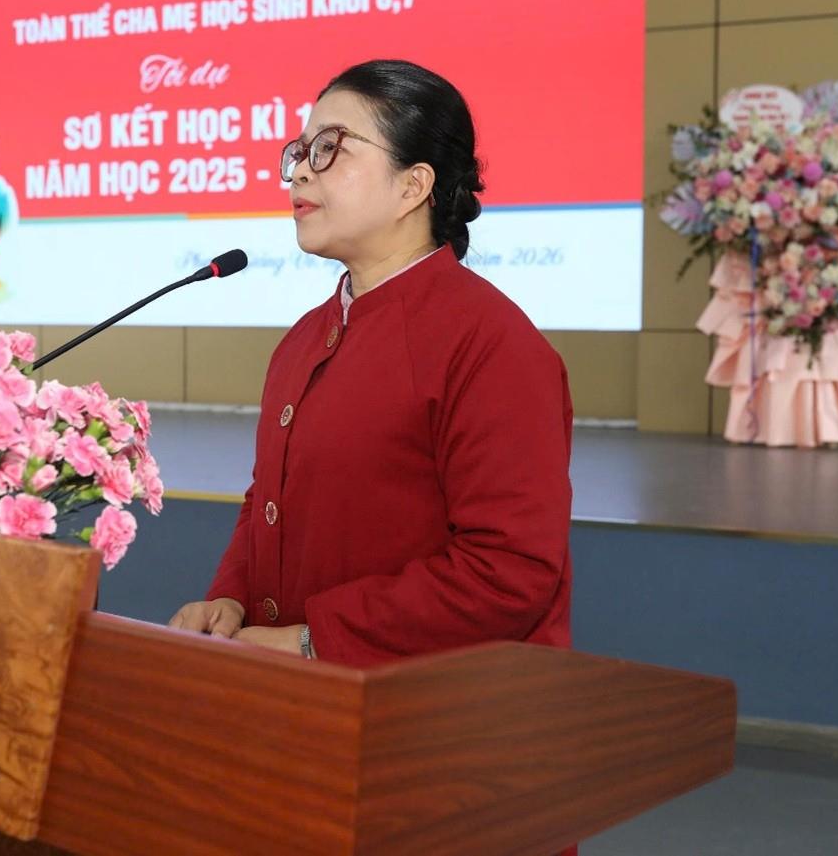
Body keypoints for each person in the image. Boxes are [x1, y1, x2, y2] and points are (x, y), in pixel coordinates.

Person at [168, 59, 573, 669]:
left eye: (330, 148)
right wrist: (232, 599)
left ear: (412, 186)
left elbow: (508, 571)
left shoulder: (492, 345)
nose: (301, 170)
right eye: (300, 151)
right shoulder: (304, 340)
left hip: (438, 706)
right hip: (301, 697)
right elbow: (268, 503)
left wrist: (315, 640)